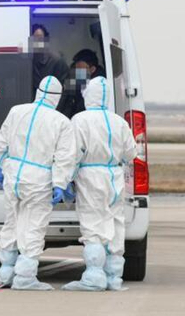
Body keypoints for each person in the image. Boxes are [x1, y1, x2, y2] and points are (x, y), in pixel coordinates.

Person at [0, 75, 77, 291]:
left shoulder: (16, 111)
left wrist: (0, 165)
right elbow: (64, 157)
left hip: (13, 175)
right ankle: (25, 277)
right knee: (33, 226)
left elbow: (1, 142)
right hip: (38, 179)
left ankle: (6, 271)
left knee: (12, 222)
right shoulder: (61, 122)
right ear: (57, 97)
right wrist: (60, 184)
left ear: (38, 92)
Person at [63, 77, 137, 291]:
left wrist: (66, 179)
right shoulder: (119, 121)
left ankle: (94, 277)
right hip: (114, 176)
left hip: (90, 176)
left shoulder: (80, 120)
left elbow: (73, 153)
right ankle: (114, 277)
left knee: (93, 225)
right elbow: (131, 153)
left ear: (89, 96)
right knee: (114, 224)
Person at [59, 49, 107, 118]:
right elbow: (66, 99)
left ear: (92, 69)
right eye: (76, 69)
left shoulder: (99, 87)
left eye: (81, 69)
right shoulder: (74, 77)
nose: (77, 72)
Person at [30, 24, 70, 91]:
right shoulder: (24, 63)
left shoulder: (57, 61)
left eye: (39, 38)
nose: (36, 41)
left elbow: (65, 89)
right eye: (33, 38)